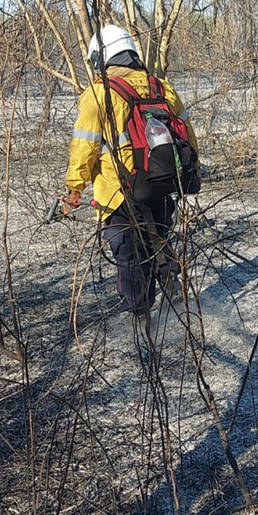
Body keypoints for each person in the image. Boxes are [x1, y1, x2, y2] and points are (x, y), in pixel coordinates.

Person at [64, 24, 198, 323]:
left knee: (130, 256)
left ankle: (140, 322)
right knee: (159, 239)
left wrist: (75, 188)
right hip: (163, 182)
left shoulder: (99, 93)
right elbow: (187, 132)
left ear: (102, 57)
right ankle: (175, 298)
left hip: (119, 191)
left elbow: (84, 144)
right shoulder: (161, 87)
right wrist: (194, 169)